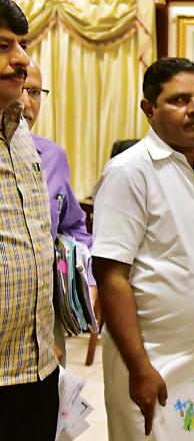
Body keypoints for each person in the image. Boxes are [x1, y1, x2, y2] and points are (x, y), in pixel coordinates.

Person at [92, 57, 194, 440]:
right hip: (152, 358)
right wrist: (138, 366)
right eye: (179, 100)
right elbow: (112, 275)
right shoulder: (129, 172)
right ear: (149, 110)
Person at [0, 0, 60, 440]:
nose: (22, 60)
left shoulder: (21, 131)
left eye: (21, 45)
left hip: (37, 369)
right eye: (4, 46)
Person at [19, 60, 93, 366]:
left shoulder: (52, 156)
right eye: (20, 89)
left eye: (35, 92)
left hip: (44, 320)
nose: (26, 102)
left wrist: (86, 279)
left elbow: (75, 227)